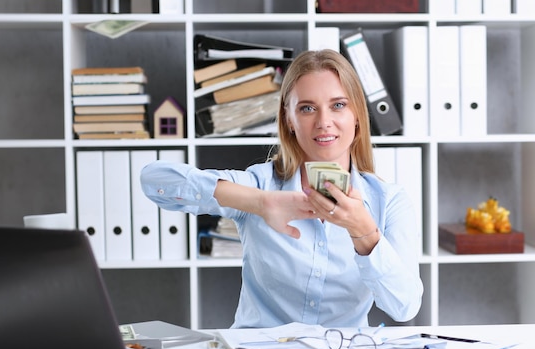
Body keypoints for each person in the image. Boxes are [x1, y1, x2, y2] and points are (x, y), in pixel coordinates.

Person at [141, 49, 423, 328]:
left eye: (338, 105)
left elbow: (405, 306)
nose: (324, 122)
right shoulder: (261, 184)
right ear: (289, 119)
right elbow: (154, 180)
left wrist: (365, 234)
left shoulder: (388, 201)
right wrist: (260, 203)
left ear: (358, 116)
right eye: (307, 108)